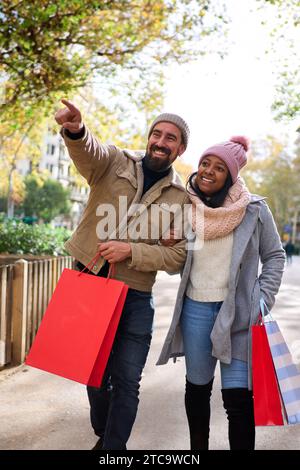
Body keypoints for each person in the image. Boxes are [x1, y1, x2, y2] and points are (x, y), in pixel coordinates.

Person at [55, 99, 190, 450]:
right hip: (90, 282)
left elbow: (176, 258)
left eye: (171, 138)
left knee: (128, 380)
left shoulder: (180, 198)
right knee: (94, 375)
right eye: (157, 134)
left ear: (180, 148)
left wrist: (132, 251)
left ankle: (113, 450)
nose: (161, 141)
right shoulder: (114, 161)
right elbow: (89, 151)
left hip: (135, 296)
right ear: (149, 138)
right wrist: (75, 130)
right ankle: (105, 436)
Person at [157, 136, 286, 450]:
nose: (208, 172)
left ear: (230, 176)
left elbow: (275, 255)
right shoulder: (186, 207)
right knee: (198, 392)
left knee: (238, 400)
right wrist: (171, 244)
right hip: (196, 312)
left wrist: (262, 299)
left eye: (218, 168)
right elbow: (176, 264)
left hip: (240, 315)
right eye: (204, 164)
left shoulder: (254, 209)